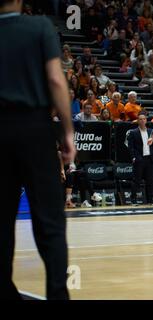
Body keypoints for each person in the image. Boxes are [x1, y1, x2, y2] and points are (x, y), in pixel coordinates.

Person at [0, 0, 76, 300]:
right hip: (34, 128)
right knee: (50, 224)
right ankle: (58, 295)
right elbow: (56, 79)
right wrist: (67, 131)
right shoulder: (40, 26)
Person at [127, 111, 153, 205]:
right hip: (139, 159)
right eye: (140, 119)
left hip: (149, 159)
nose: (142, 121)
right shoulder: (133, 132)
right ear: (137, 121)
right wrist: (133, 157)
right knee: (136, 181)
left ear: (146, 120)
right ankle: (133, 200)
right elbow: (131, 147)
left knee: (150, 181)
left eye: (144, 119)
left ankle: (150, 200)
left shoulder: (151, 131)